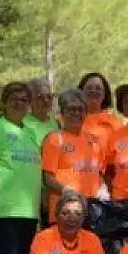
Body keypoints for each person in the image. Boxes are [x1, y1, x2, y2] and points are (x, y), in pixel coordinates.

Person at [0, 82, 42, 254]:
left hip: (29, 213)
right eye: (14, 99)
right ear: (4, 103)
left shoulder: (30, 133)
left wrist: (37, 213)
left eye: (24, 100)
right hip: (5, 211)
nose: (19, 103)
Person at [41, 88, 105, 224]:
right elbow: (47, 177)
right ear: (62, 113)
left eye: (80, 109)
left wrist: (103, 189)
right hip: (65, 210)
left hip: (92, 210)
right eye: (71, 109)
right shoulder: (54, 139)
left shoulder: (94, 141)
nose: (76, 113)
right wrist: (65, 190)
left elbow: (98, 173)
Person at [29, 191, 110, 254]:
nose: (72, 218)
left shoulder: (92, 239)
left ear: (84, 218)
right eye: (65, 213)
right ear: (56, 215)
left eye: (78, 214)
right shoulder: (44, 237)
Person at [78, 72, 124, 148]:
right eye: (89, 88)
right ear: (80, 92)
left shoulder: (115, 123)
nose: (93, 91)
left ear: (104, 95)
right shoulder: (70, 120)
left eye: (98, 88)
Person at [24, 77, 59, 144]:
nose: (46, 101)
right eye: (40, 97)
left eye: (49, 96)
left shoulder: (55, 121)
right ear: (29, 101)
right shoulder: (23, 124)